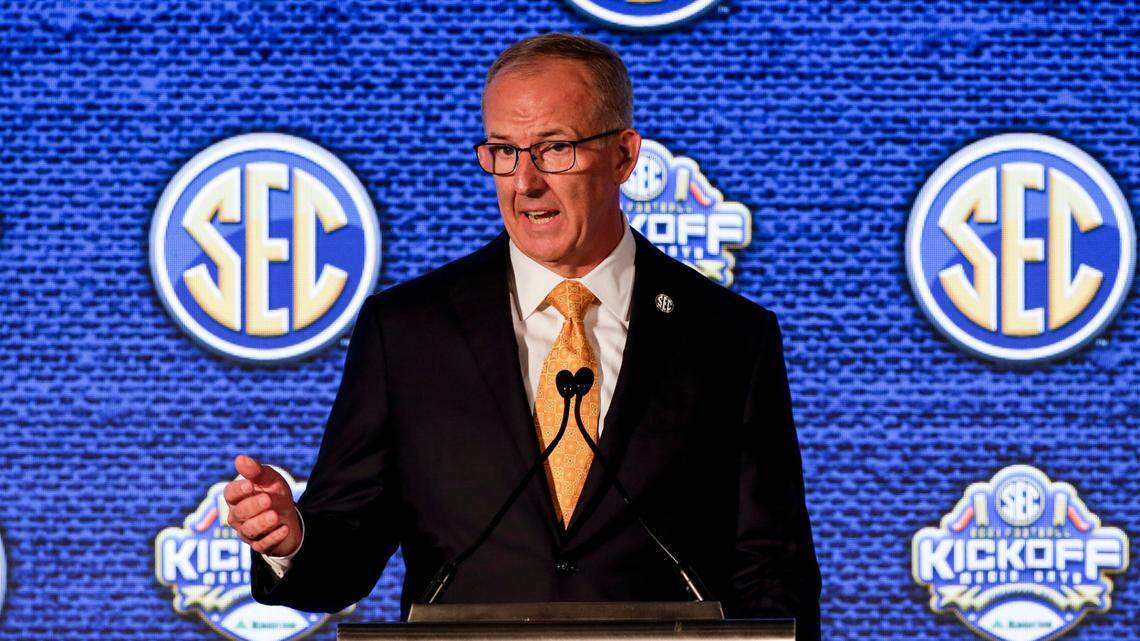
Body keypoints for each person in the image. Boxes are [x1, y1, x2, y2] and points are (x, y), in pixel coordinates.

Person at [223, 33, 821, 640]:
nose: (524, 182)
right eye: (503, 151)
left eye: (555, 149)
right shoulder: (408, 333)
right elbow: (345, 557)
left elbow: (773, 570)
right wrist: (292, 539)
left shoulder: (728, 337)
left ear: (623, 156)